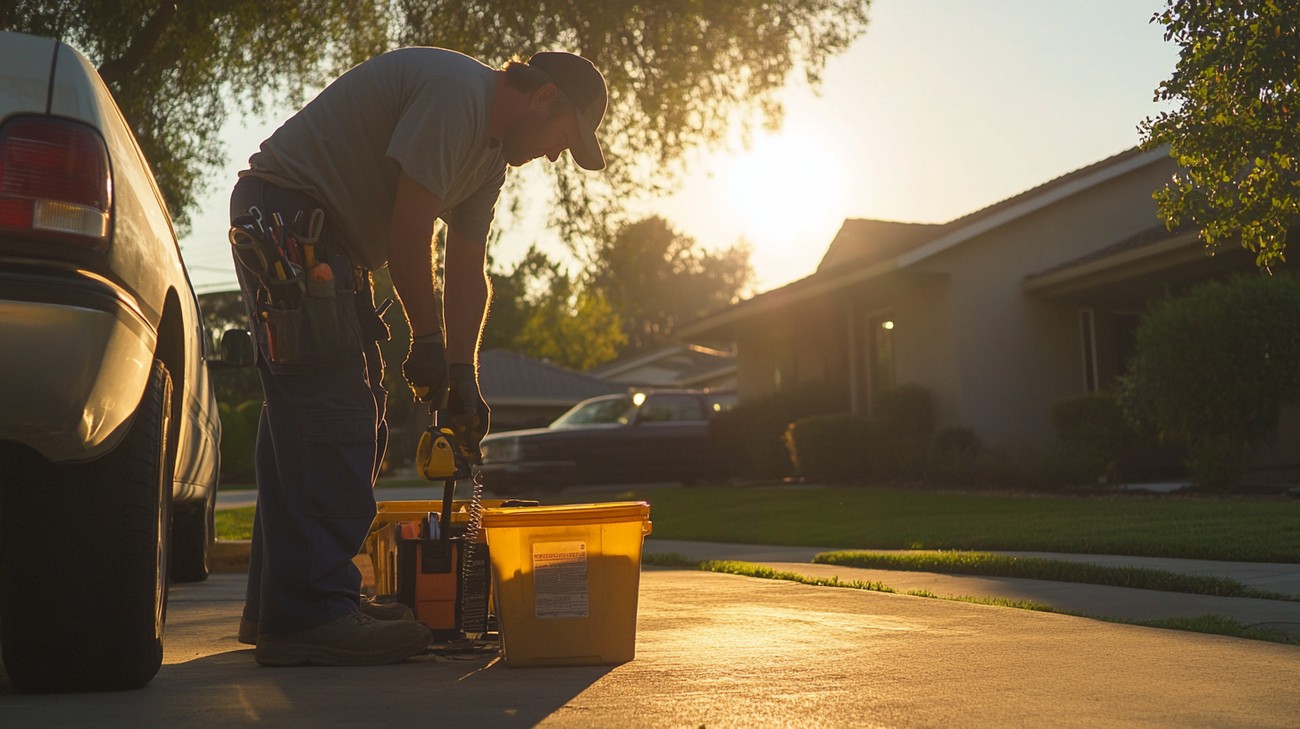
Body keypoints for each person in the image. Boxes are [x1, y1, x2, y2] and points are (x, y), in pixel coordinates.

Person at [228, 47, 608, 666]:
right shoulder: (459, 97)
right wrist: (425, 342)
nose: (556, 155)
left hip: (328, 238)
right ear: (544, 99)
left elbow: (466, 271)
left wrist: (463, 375)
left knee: (309, 414)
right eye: (564, 138)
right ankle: (310, 614)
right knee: (334, 412)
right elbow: (410, 230)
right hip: (288, 217)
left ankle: (281, 606)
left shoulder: (489, 161)